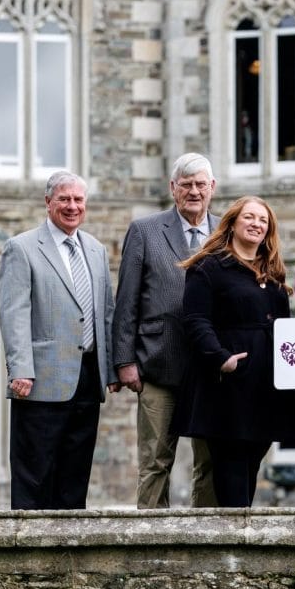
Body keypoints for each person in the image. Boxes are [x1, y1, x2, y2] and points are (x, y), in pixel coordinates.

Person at [171, 197, 295, 507]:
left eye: (263, 220)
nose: (257, 224)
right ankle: (236, 537)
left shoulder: (272, 274)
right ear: (232, 222)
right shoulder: (209, 267)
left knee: (253, 460)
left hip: (265, 384)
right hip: (227, 384)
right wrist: (221, 358)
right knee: (230, 462)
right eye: (250, 217)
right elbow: (196, 320)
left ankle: (243, 530)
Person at [0, 171, 116, 509]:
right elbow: (13, 312)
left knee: (74, 477)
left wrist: (111, 369)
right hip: (40, 381)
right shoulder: (21, 248)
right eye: (64, 199)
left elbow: (105, 311)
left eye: (78, 200)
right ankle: (29, 556)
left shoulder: (95, 250)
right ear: (48, 202)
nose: (72, 206)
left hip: (88, 379)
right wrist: (20, 368)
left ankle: (68, 554)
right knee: (35, 476)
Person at [112, 153, 219, 509]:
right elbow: (126, 300)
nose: (193, 191)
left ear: (212, 188)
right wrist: (125, 360)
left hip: (209, 370)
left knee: (210, 462)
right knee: (156, 461)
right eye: (186, 184)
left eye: (200, 184)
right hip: (158, 363)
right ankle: (149, 545)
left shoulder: (226, 232)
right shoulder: (145, 231)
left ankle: (205, 539)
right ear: (173, 189)